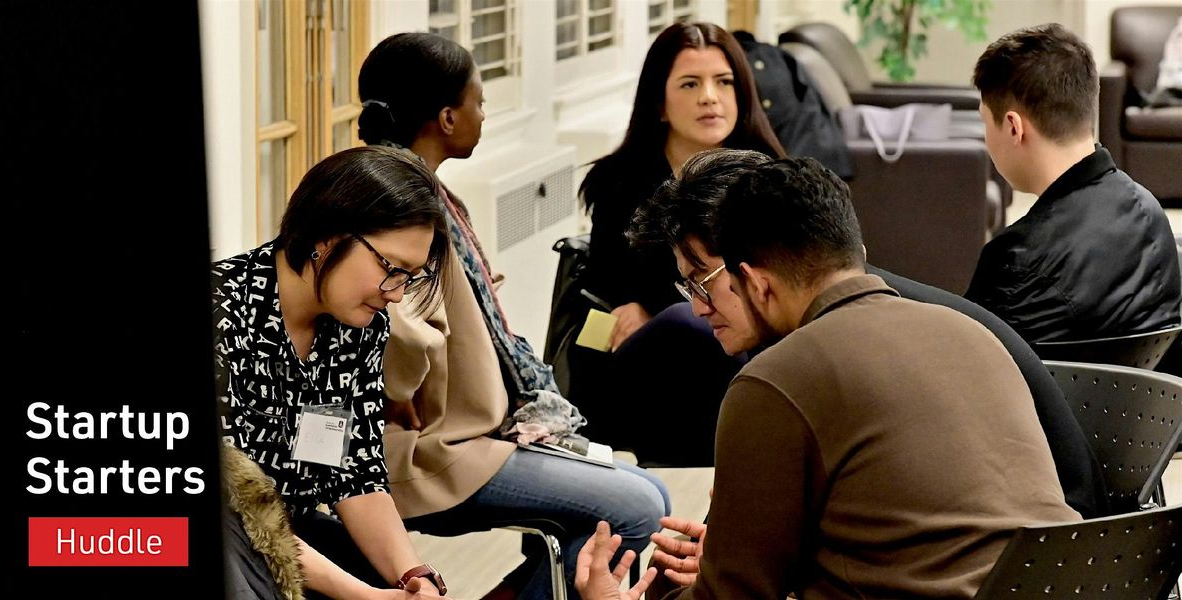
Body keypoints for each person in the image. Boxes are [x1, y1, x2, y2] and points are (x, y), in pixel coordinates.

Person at [578, 157, 1081, 599]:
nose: (697, 306)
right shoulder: (964, 329)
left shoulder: (776, 379)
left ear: (754, 279)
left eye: (704, 281)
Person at [356, 32, 669, 600]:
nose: (484, 114)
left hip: (471, 426)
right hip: (436, 442)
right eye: (479, 102)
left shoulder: (429, 196)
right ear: (448, 117)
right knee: (636, 506)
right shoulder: (397, 205)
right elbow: (395, 346)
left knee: (641, 500)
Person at [626, 147, 1103, 519]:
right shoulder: (861, 303)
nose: (697, 306)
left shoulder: (824, 352)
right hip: (1061, 553)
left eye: (702, 279)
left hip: (1034, 550)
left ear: (754, 266)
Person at [213, 146, 454, 599]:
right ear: (324, 236)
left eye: (410, 277)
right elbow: (244, 510)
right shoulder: (224, 312)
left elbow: (354, 472)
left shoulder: (358, 325)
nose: (398, 294)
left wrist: (411, 576)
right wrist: (368, 596)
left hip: (296, 534)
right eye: (391, 269)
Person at [570, 22, 786, 466]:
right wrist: (626, 310)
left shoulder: (770, 179)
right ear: (661, 104)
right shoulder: (619, 182)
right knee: (686, 327)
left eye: (724, 82)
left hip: (752, 350)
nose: (710, 96)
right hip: (640, 355)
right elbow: (596, 301)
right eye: (690, 84)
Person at [964, 23, 1180, 343]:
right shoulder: (1150, 213)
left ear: (1013, 127)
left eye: (985, 122)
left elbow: (967, 369)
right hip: (1153, 394)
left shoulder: (1016, 259)